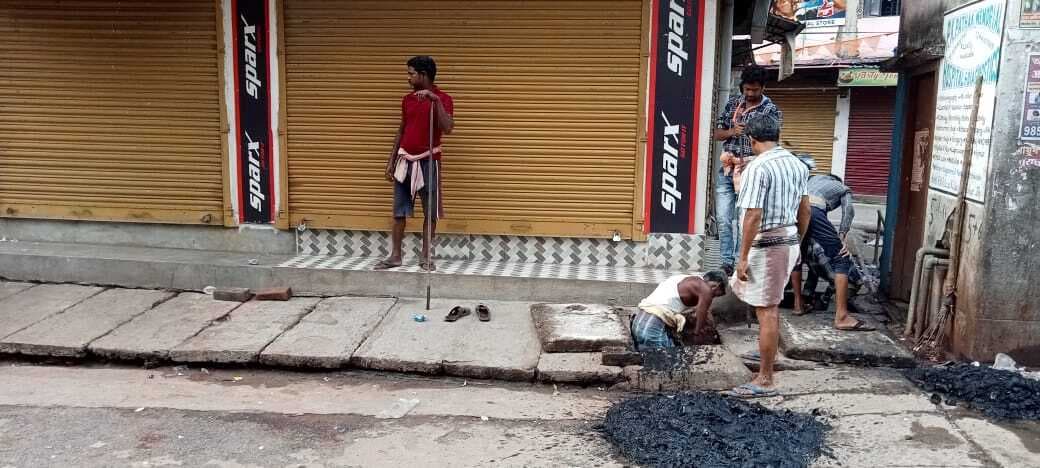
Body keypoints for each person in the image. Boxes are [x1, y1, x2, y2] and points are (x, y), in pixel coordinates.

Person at [726, 115, 810, 399]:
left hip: (768, 243)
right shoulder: (798, 164)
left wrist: (742, 256)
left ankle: (765, 379)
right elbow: (805, 209)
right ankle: (766, 354)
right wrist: (798, 239)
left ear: (751, 140)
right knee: (766, 304)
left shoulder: (757, 167)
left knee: (768, 309)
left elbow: (753, 215)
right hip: (788, 240)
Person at [375, 56, 454, 271]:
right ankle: (395, 256)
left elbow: (447, 128)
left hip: (429, 161)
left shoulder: (443, 99)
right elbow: (401, 130)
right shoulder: (407, 100)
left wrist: (434, 100)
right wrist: (391, 161)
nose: (408, 78)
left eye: (411, 73)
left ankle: (426, 257)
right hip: (405, 161)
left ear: (423, 75)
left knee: (430, 212)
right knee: (399, 212)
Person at [713, 65, 783, 277]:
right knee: (724, 219)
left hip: (752, 171)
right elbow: (716, 134)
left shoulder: (771, 110)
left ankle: (739, 260)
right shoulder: (733, 103)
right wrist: (732, 131)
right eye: (747, 90)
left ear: (763, 87)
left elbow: (773, 143)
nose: (750, 94)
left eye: (755, 90)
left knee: (744, 219)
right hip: (727, 169)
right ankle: (726, 261)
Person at [789, 172, 875, 331]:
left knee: (797, 255)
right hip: (812, 209)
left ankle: (798, 304)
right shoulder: (842, 188)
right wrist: (842, 235)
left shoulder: (811, 180)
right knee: (841, 257)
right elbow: (849, 210)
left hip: (793, 208)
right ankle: (842, 316)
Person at [631, 272, 728, 350]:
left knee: (648, 364)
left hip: (638, 322)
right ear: (717, 286)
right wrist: (697, 334)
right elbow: (701, 313)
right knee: (670, 364)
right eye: (718, 295)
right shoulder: (706, 289)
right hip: (652, 326)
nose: (713, 297)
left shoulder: (683, 278)